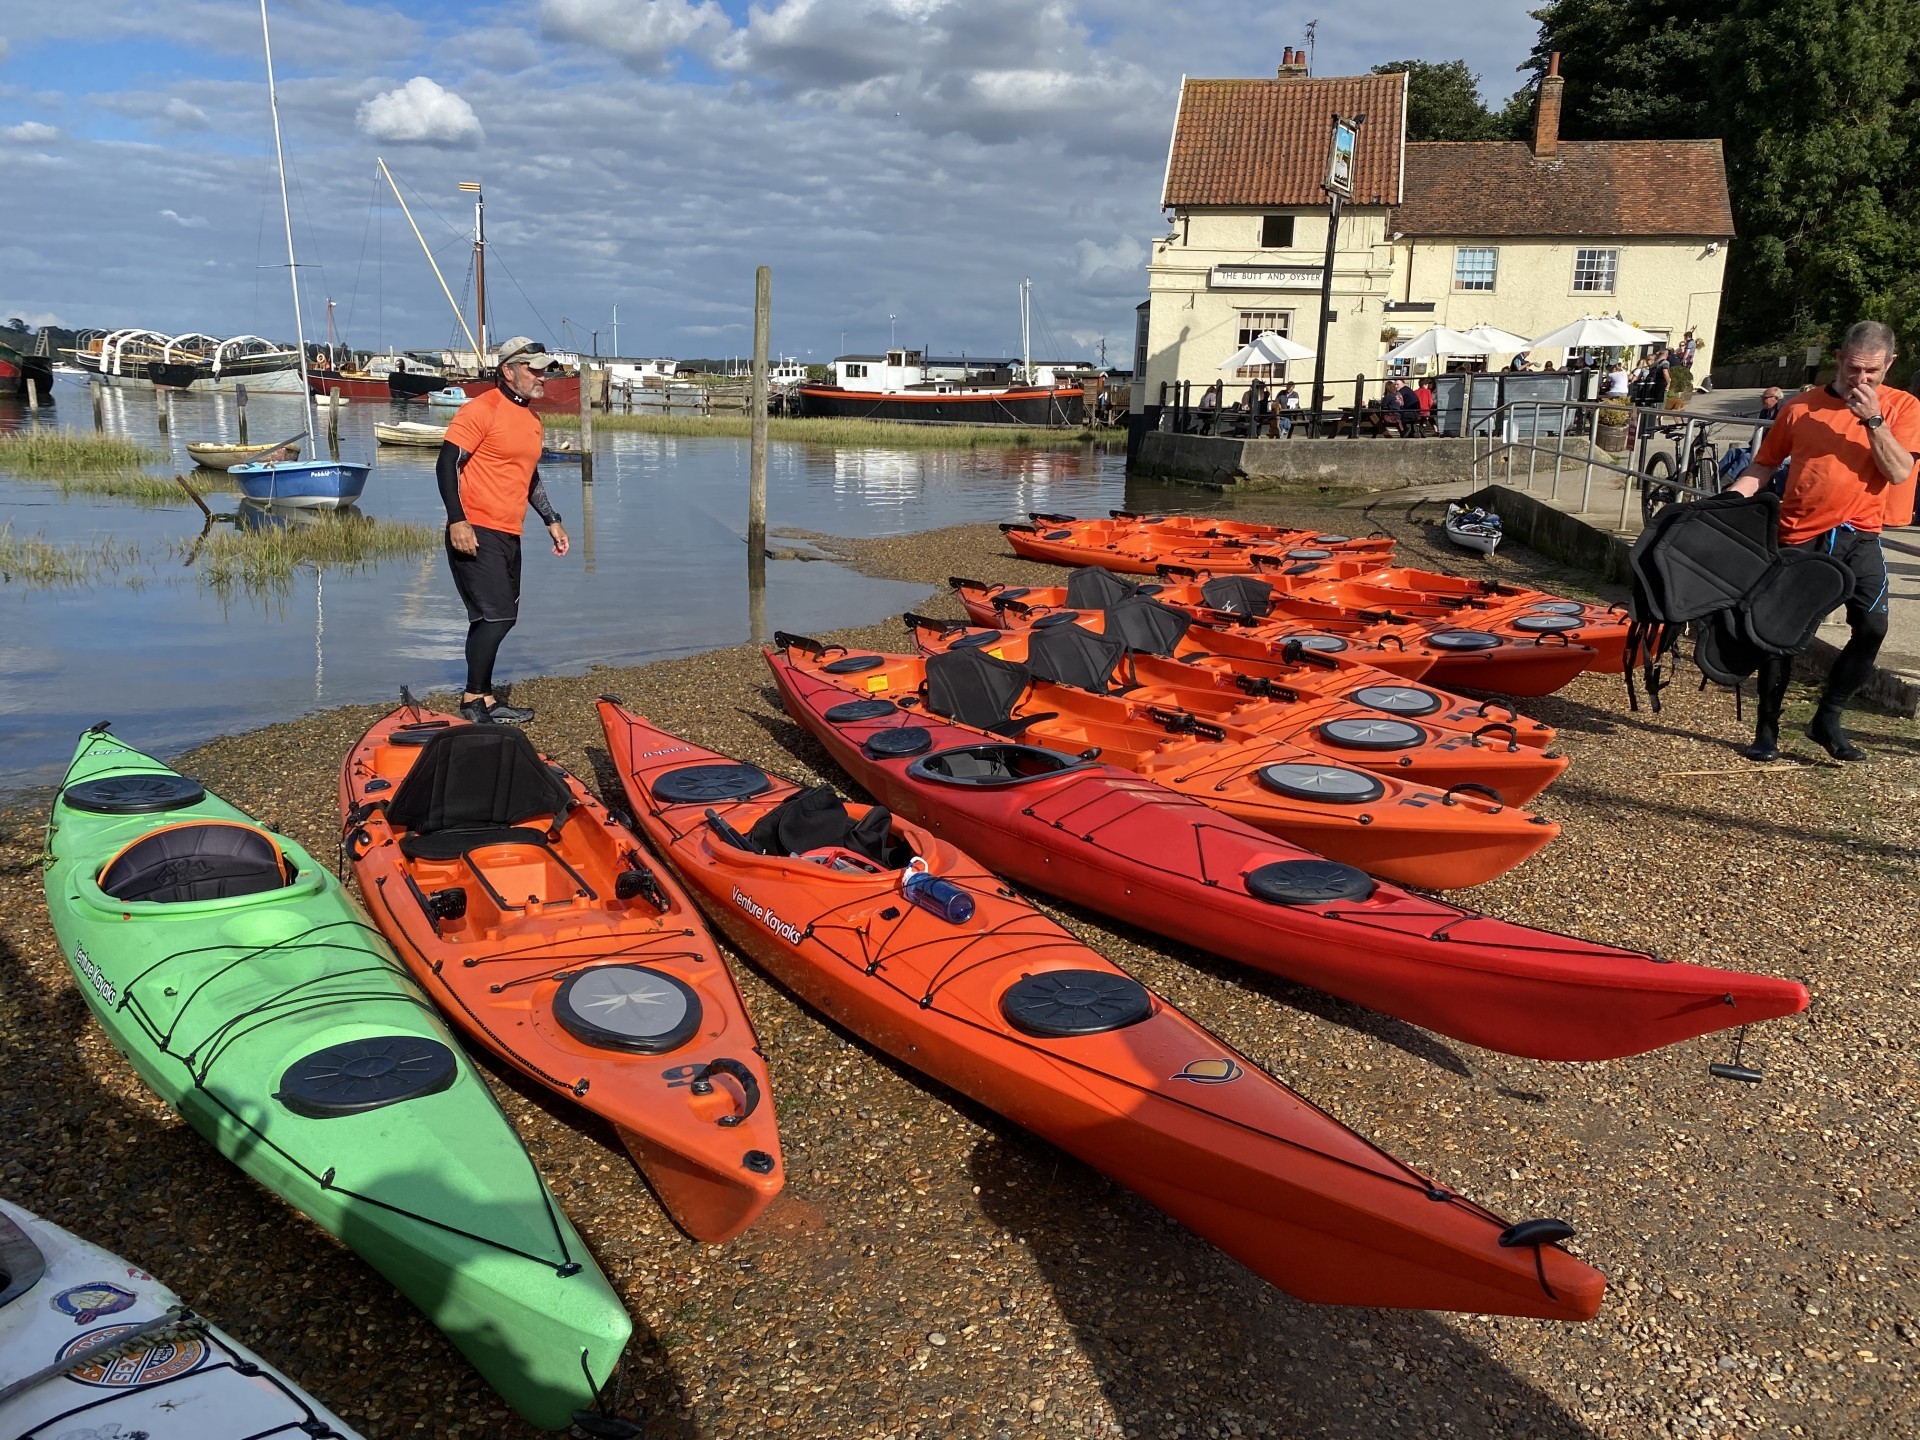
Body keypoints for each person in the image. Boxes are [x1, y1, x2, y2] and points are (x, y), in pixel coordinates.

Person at [1725, 321, 1919, 761]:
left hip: (1860, 536)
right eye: (1854, 369)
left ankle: (1827, 718)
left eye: (1873, 372)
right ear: (1839, 358)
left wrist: (1872, 419)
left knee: (1872, 628)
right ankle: (1767, 732)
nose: (1862, 380)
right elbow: (1763, 466)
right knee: (1781, 634)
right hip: (1800, 533)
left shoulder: (1903, 407)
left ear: (1890, 365)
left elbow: (1900, 472)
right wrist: (1725, 503)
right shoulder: (1799, 407)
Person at [437, 336, 571, 726]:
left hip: (508, 531)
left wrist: (552, 519)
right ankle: (473, 701)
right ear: (508, 370)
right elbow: (447, 465)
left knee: (496, 616)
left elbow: (529, 477)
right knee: (496, 618)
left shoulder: (531, 419)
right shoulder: (482, 409)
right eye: (533, 368)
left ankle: (485, 696)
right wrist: (457, 520)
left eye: (543, 369)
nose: (541, 376)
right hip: (475, 528)